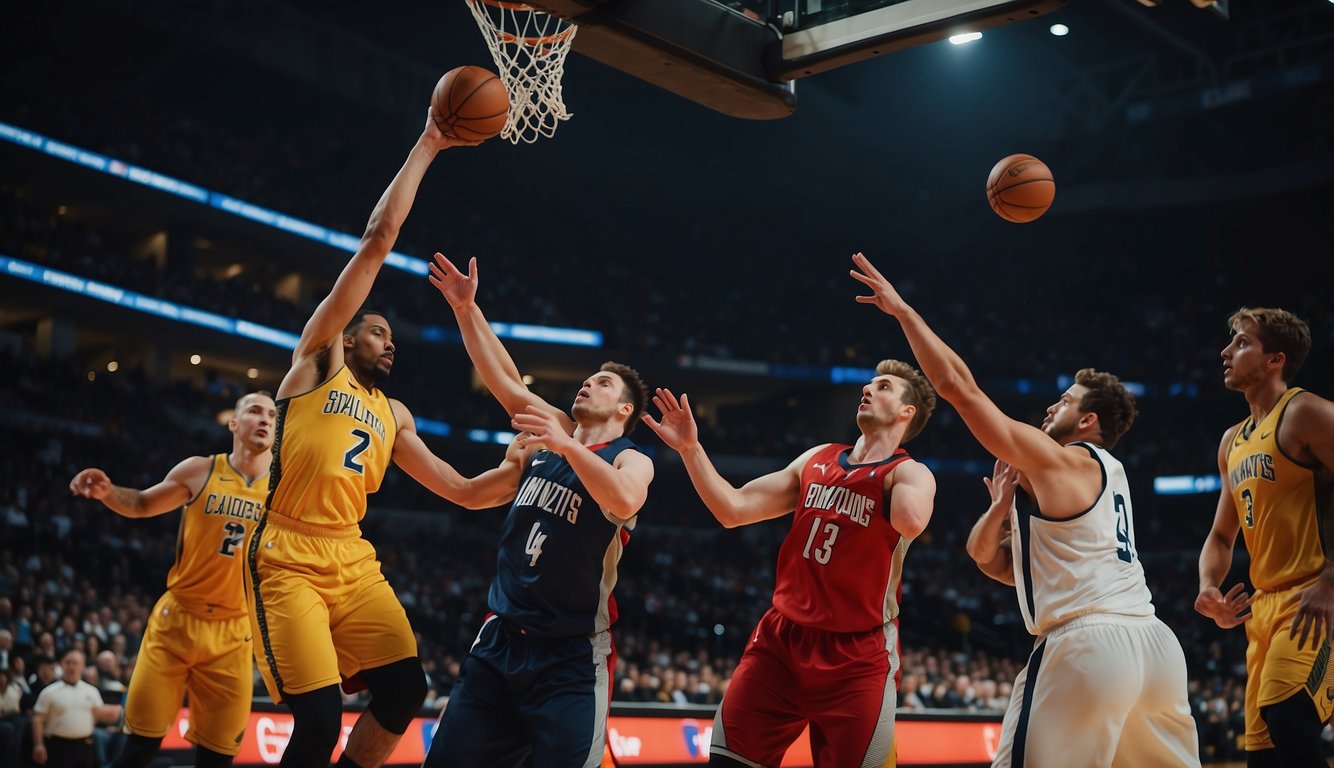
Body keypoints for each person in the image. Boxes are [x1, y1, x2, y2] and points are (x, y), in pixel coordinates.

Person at [847, 251, 1200, 766]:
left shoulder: (1061, 461)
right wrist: (999, 511)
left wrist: (904, 313)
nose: (1052, 406)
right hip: (1157, 650)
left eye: (1066, 400)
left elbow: (959, 391)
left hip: (1088, 644)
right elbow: (996, 564)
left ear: (1089, 420)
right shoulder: (1110, 479)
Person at [249, 115, 525, 768]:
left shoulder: (394, 414)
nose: (388, 340)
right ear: (347, 338)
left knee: (406, 690)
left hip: (350, 556)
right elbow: (377, 241)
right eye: (375, 331)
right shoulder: (317, 362)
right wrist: (429, 143)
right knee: (316, 725)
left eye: (391, 337)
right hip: (286, 552)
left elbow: (461, 490)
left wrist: (518, 468)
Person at [643, 353, 937, 766]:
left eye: (883, 386)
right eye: (869, 384)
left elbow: (912, 519)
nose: (867, 389)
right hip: (782, 642)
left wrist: (901, 480)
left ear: (908, 412)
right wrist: (691, 449)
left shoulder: (909, 473)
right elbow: (733, 508)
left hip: (856, 655)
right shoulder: (817, 458)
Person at [423, 255, 655, 767]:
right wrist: (466, 309)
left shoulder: (629, 458)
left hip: (570, 657)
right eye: (588, 379)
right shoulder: (557, 434)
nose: (588, 384)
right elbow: (505, 381)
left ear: (624, 412)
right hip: (501, 641)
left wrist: (567, 447)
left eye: (602, 383)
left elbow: (625, 499)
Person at [68, 391, 276, 768]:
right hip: (177, 622)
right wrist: (107, 492)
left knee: (217, 758)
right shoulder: (201, 470)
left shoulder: (284, 489)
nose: (264, 420)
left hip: (233, 633)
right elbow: (144, 503)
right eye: (254, 411)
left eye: (272, 416)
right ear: (233, 423)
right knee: (139, 749)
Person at [1195, 307, 1334, 767]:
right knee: (1264, 757)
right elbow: (1220, 534)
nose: (1226, 351)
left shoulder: (1306, 412)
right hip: (1265, 608)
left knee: (1290, 719)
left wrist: (1331, 580)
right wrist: (1208, 588)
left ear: (1274, 359)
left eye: (1241, 343)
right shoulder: (1232, 440)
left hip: (1316, 596)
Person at [31, 649, 122, 768]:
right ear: (61, 664)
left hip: (85, 746)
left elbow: (99, 714)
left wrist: (114, 713)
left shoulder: (92, 691)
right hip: (58, 746)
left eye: (75, 663)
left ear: (82, 666)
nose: (71, 666)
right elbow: (38, 719)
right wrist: (38, 744)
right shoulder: (49, 692)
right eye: (68, 662)